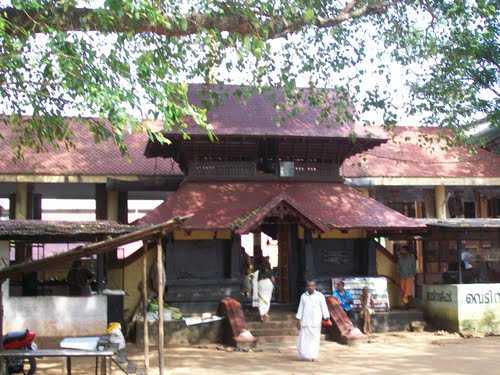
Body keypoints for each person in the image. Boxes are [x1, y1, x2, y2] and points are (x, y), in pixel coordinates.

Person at [296, 280, 330, 362]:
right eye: (308, 286)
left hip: (316, 321)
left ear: (315, 287)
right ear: (306, 287)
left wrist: (326, 316)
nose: (310, 287)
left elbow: (324, 307)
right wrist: (298, 319)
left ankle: (313, 356)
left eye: (312, 286)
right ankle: (304, 355)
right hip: (305, 321)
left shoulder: (320, 296)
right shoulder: (303, 296)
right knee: (304, 339)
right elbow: (300, 308)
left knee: (315, 339)